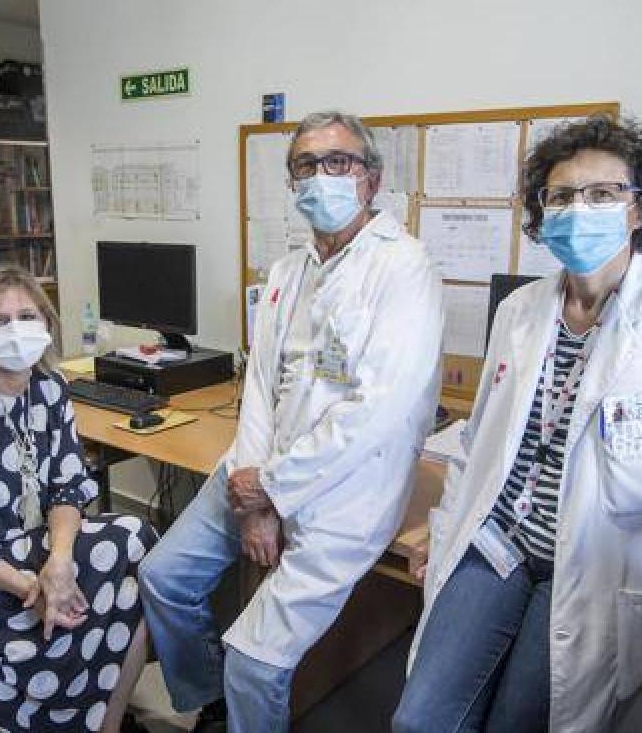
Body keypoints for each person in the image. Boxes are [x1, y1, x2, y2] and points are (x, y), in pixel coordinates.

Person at [392, 115, 642, 733]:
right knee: (419, 721)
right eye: (559, 196)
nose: (578, 210)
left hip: (595, 571)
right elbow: (480, 445)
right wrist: (443, 530)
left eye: (602, 194)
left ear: (639, 208)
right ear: (541, 212)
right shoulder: (521, 311)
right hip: (499, 543)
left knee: (516, 723)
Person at [139, 111, 444, 733]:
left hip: (346, 493)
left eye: (339, 163)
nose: (321, 177)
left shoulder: (405, 267)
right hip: (258, 472)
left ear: (372, 179)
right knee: (163, 577)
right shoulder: (287, 272)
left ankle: (240, 690)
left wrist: (273, 488)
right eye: (305, 166)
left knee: (253, 659)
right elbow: (260, 385)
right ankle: (209, 698)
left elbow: (376, 413)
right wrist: (253, 493)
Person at [0, 265, 157, 733]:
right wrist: (32, 589)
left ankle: (102, 723)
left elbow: (67, 487)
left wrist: (59, 564)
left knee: (134, 564)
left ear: (46, 324)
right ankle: (63, 710)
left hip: (35, 547)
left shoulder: (49, 389)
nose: (15, 330)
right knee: (117, 577)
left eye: (26, 316)